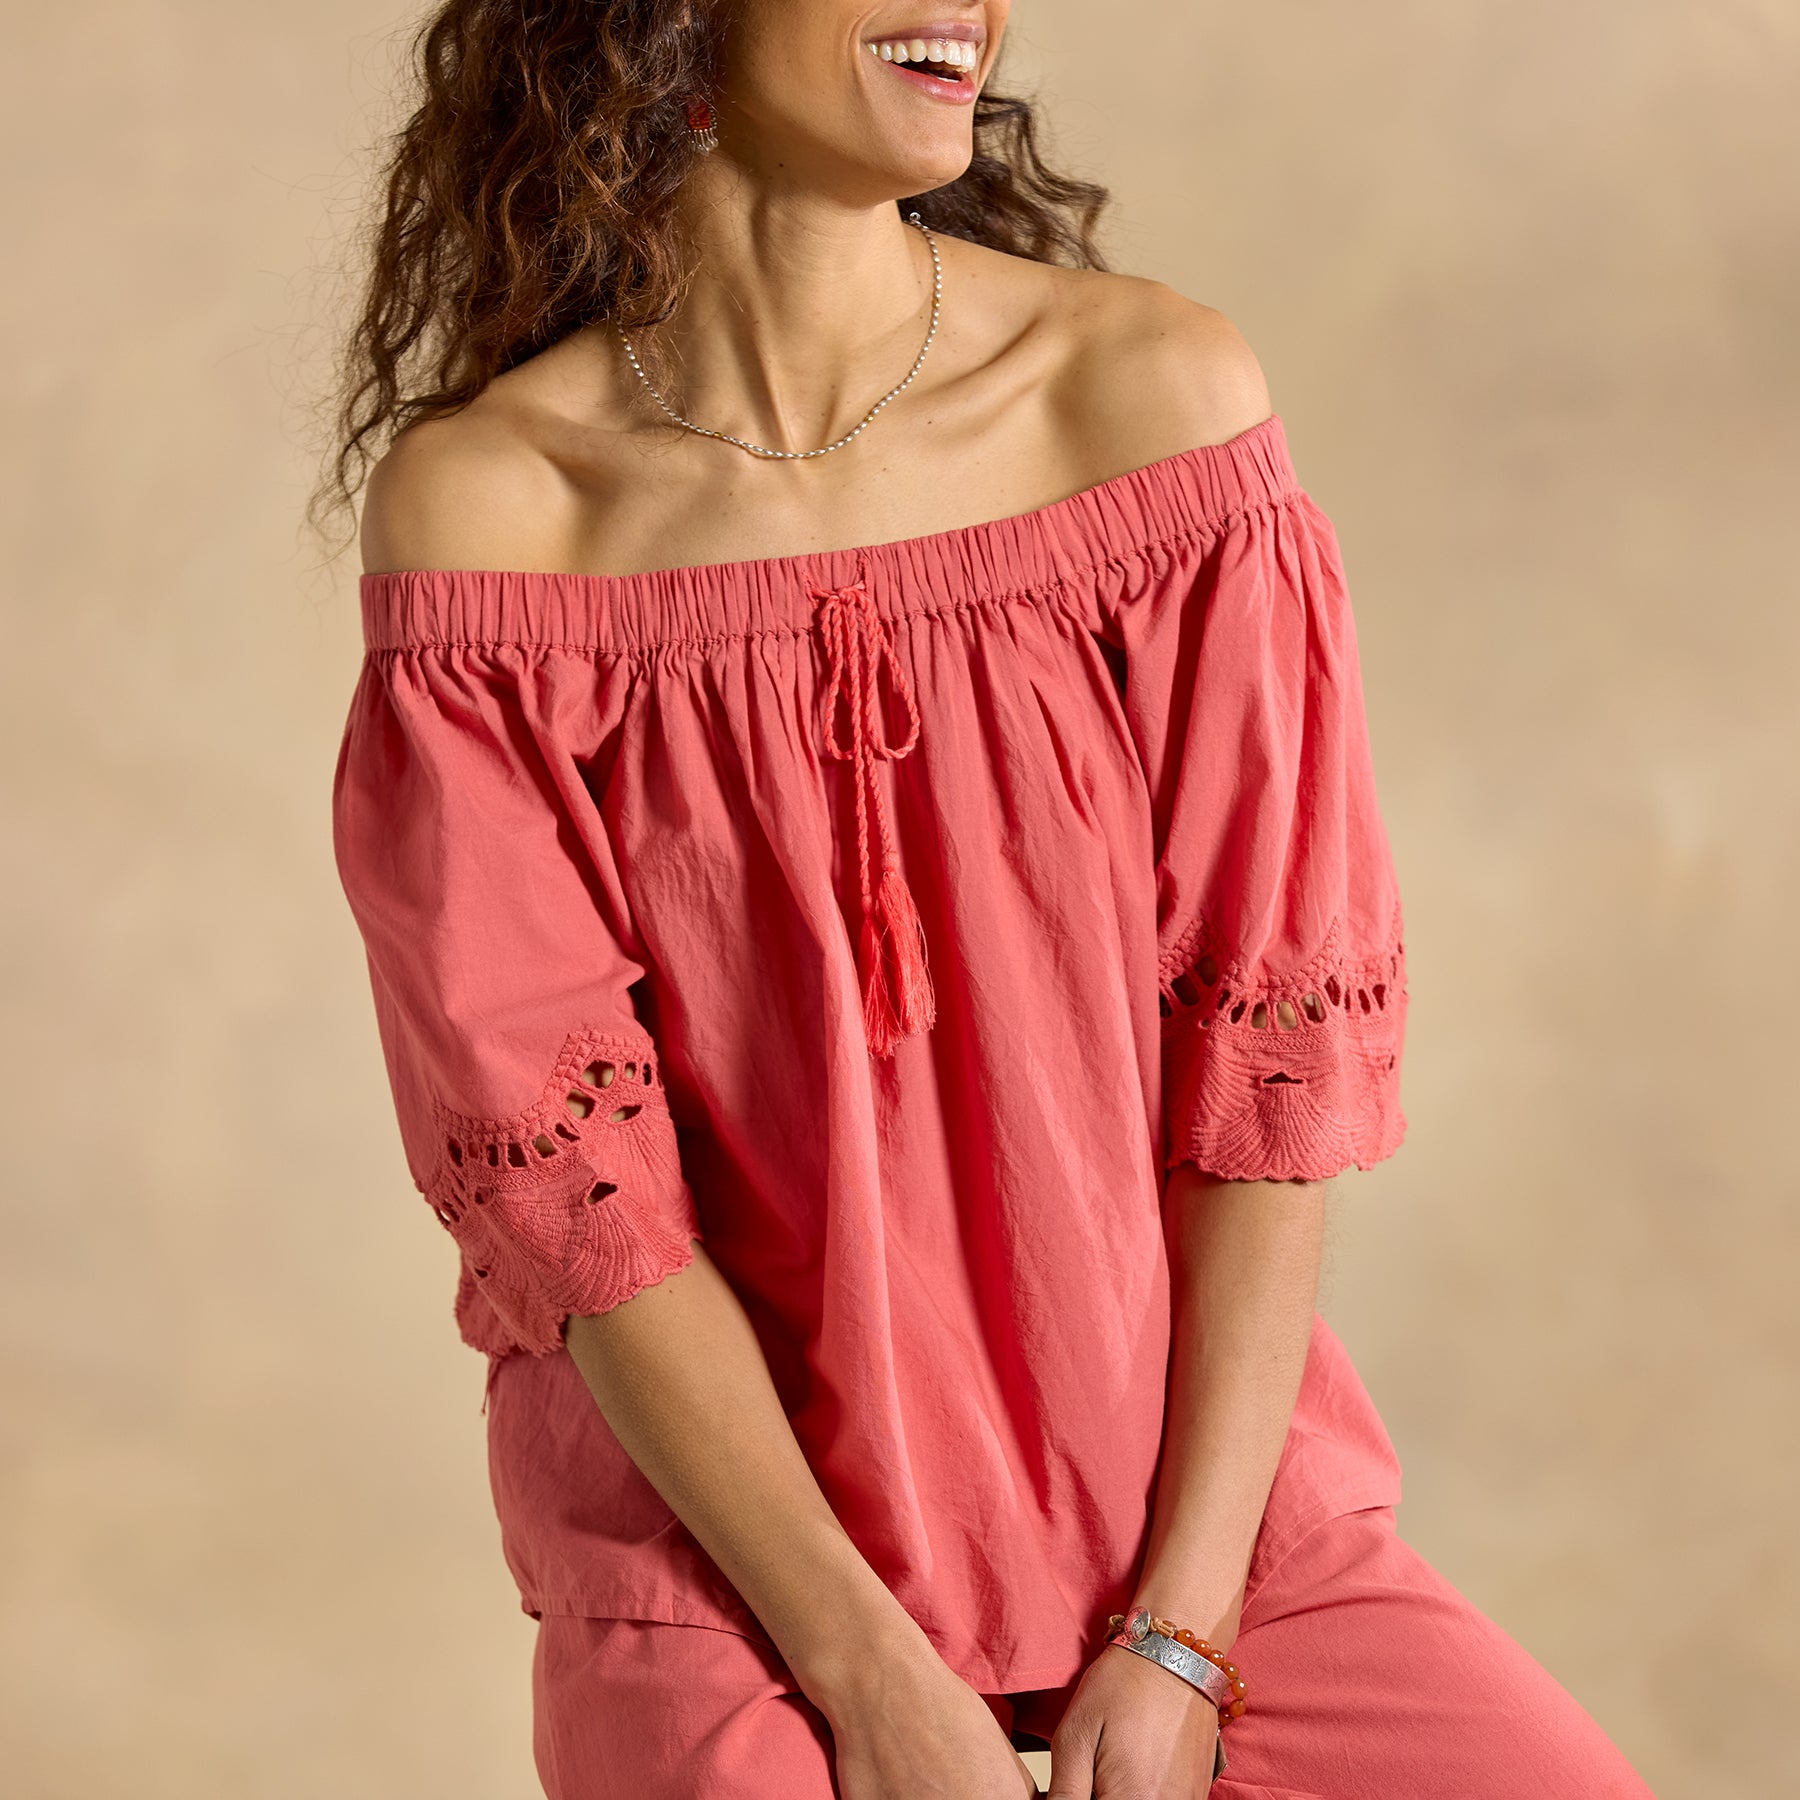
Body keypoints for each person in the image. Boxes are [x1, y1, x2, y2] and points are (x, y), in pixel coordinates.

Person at [321, 2, 1656, 1795]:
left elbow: (1265, 1073)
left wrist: (1181, 1629)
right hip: (731, 1572)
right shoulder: (498, 516)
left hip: (1194, 1517)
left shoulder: (1148, 403)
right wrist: (866, 1672)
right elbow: (580, 1199)